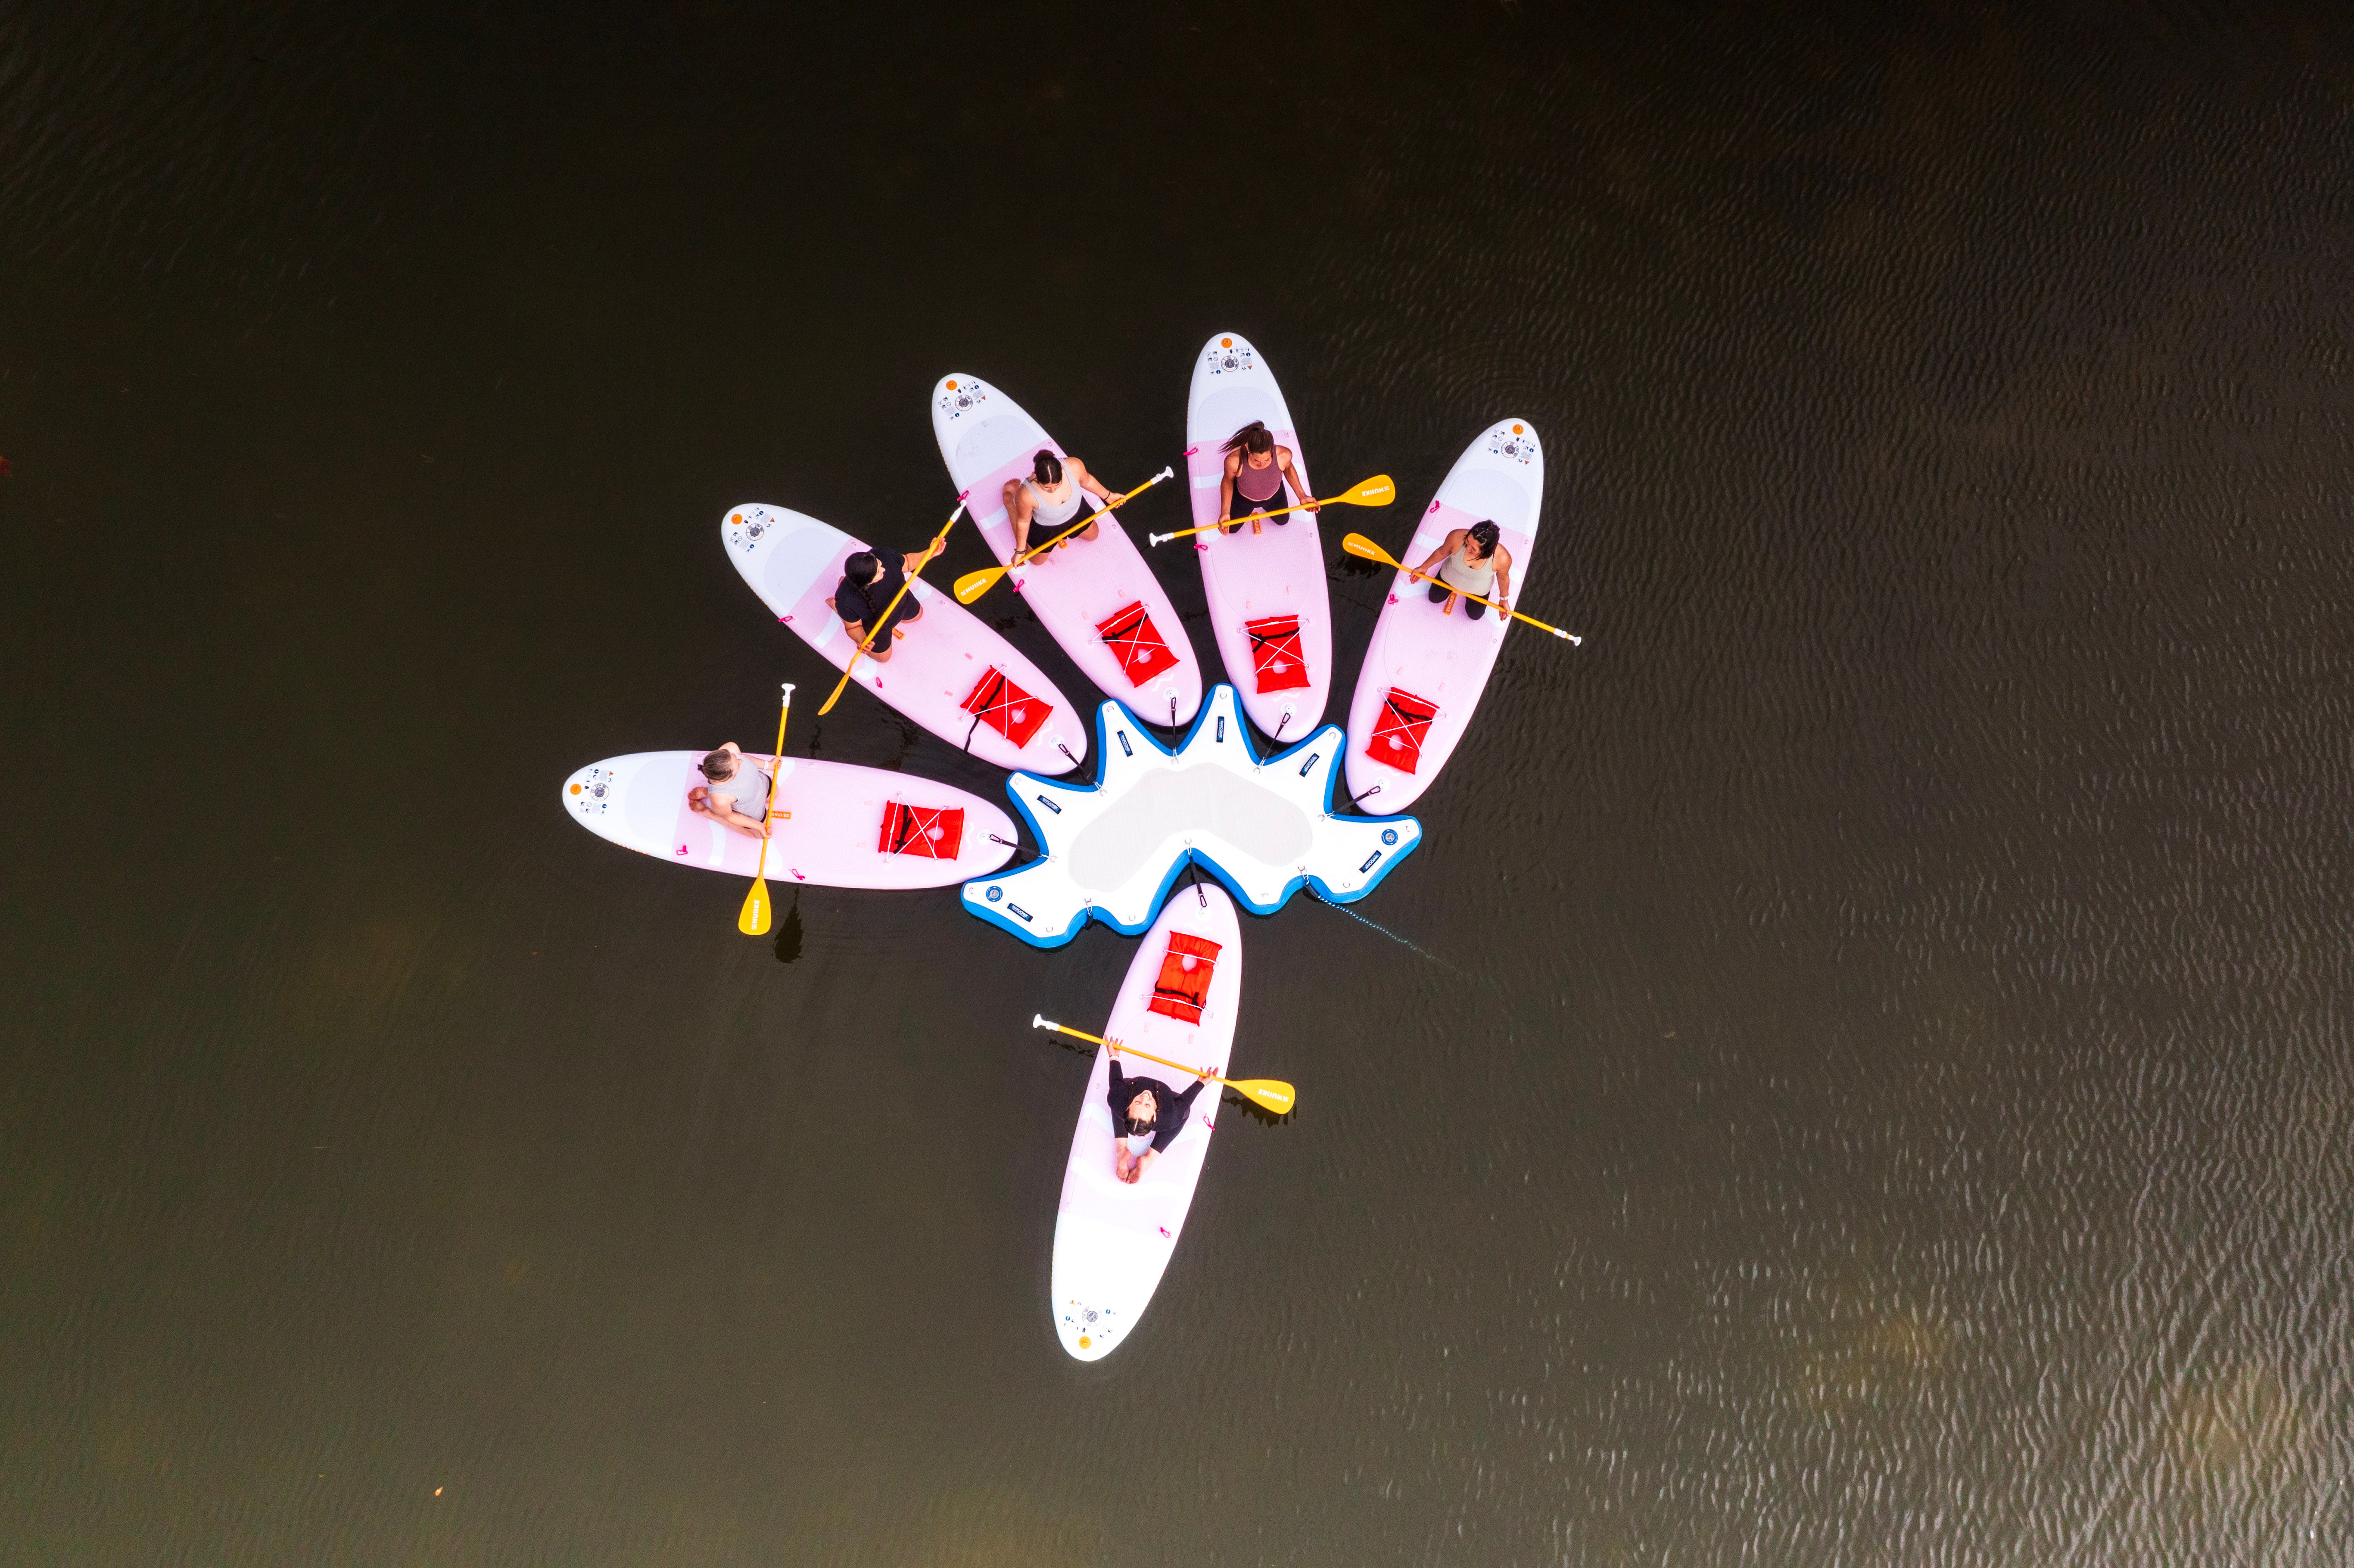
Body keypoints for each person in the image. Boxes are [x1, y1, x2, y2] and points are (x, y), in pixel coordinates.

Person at [1106, 1047, 1211, 1184]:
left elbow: (1116, 1081)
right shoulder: (1170, 1115)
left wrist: (1114, 1057)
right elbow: (1184, 1102)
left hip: (1132, 1094)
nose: (1145, 1097)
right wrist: (1201, 1083)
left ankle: (1122, 1149)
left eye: (1140, 1103)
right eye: (1145, 1104)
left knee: (1118, 1102)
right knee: (1185, 1114)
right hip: (1160, 1100)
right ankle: (1148, 1158)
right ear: (1155, 1117)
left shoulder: (1118, 1097)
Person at [833, 537, 945, 664]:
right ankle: (838, 608)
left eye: (879, 564)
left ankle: (844, 584)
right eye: (878, 572)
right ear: (867, 582)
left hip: (904, 602)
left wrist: (930, 553)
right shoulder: (847, 600)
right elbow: (853, 628)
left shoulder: (884, 554)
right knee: (884, 659)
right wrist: (863, 640)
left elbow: (908, 562)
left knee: (918, 615)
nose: (884, 570)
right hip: (879, 627)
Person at [1003, 449, 1124, 561]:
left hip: (1075, 513)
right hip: (1046, 527)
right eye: (1047, 488)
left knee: (1094, 535)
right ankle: (1008, 501)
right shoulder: (1025, 495)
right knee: (1036, 561)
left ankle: (1063, 534)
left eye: (1057, 485)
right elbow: (1023, 522)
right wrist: (1020, 551)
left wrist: (1108, 496)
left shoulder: (1074, 466)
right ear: (1036, 476)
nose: (1053, 490)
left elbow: (1087, 481)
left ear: (1061, 472)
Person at [1217, 420, 1317, 534]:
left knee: (1283, 521)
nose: (1262, 465)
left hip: (1274, 497)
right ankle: (1240, 447)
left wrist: (1302, 496)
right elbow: (1227, 481)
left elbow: (1289, 469)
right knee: (1232, 529)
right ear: (1248, 449)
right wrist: (1225, 512)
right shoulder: (1234, 461)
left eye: (1267, 460)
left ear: (1272, 450)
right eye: (1256, 460)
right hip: (1244, 499)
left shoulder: (1283, 455)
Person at [1414, 519, 1512, 622]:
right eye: (1468, 541)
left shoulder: (1502, 558)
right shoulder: (1456, 536)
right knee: (1434, 598)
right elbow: (1442, 552)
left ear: (1487, 551)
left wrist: (1504, 599)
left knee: (1475, 615)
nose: (1468, 548)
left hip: (1479, 591)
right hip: (1448, 577)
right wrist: (1424, 567)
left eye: (1473, 549)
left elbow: (1503, 577)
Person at [687, 742, 775, 837]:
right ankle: (710, 814)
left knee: (776, 795)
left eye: (736, 758)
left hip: (763, 784)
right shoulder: (720, 799)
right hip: (753, 811)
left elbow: (743, 757)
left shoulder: (730, 748)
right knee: (759, 836)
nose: (741, 761)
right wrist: (759, 826)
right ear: (728, 778)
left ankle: (707, 791)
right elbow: (730, 816)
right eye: (738, 765)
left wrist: (768, 765)